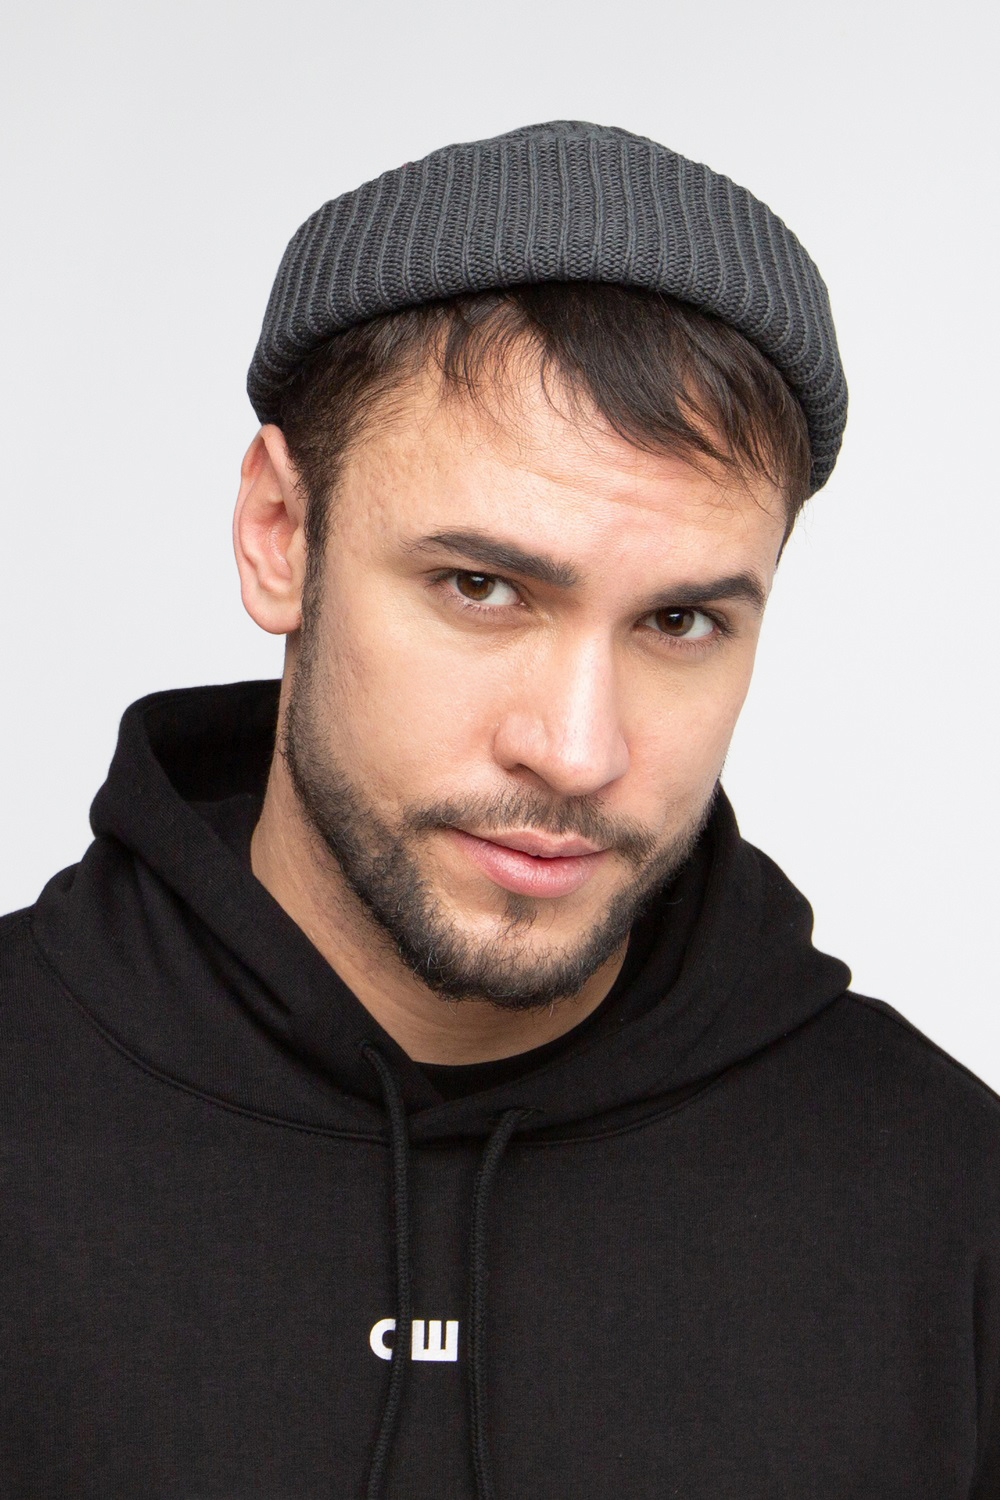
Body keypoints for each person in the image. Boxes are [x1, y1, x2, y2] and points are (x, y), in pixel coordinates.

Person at [1, 119, 997, 1500]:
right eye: (481, 588)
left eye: (681, 622)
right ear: (280, 535)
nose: (577, 752)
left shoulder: (949, 1202)